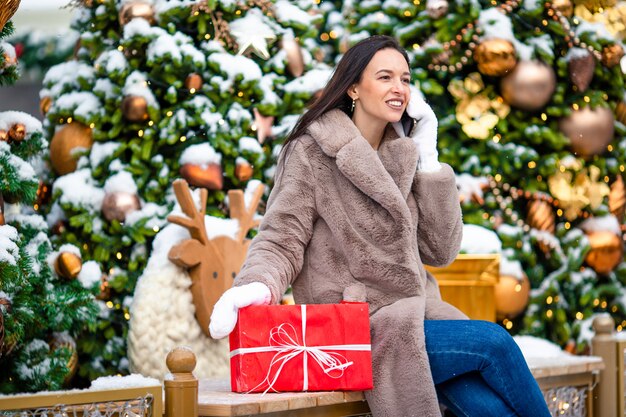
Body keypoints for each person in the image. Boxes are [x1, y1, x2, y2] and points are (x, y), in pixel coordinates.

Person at [209, 35, 551, 417]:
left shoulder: (403, 154)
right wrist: (256, 284)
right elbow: (281, 236)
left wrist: (429, 159)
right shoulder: (310, 151)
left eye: (405, 79)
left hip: (417, 318)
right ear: (354, 86)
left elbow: (441, 250)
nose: (398, 88)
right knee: (493, 342)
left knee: (489, 411)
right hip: (355, 330)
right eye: (385, 77)